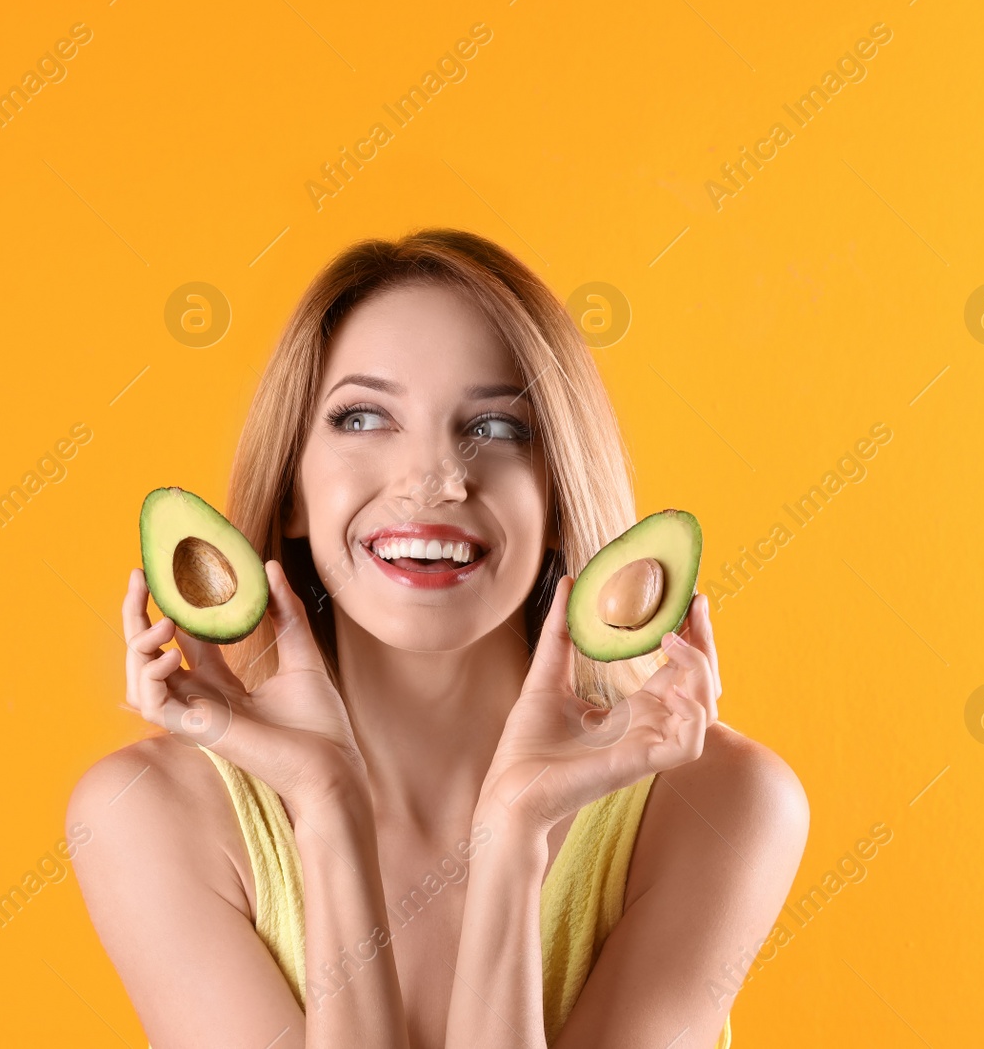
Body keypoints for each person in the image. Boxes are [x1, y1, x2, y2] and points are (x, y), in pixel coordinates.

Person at [68, 228, 809, 1048]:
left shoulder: (719, 803)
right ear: (292, 491)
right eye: (362, 416)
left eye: (495, 427)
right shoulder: (149, 814)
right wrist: (326, 803)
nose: (434, 479)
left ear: (560, 492)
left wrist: (516, 834)